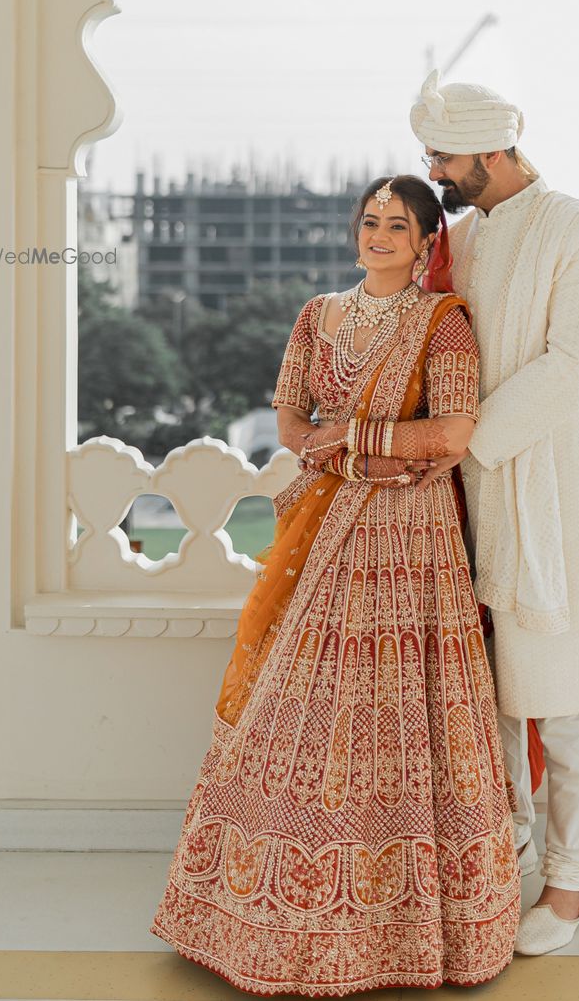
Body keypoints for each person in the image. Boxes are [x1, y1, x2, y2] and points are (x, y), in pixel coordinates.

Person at [151, 174, 520, 995]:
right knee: (300, 706)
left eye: (398, 225)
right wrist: (366, 458)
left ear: (428, 241)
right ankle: (274, 918)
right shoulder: (319, 315)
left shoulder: (442, 325)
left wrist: (349, 439)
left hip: (414, 549)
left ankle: (411, 933)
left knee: (408, 716)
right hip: (329, 530)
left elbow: (455, 433)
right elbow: (289, 420)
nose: (379, 236)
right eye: (369, 222)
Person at [410, 71, 579, 957]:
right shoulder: (459, 239)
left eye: (444, 157)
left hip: (550, 490)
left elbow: (571, 362)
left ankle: (570, 887)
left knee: (566, 698)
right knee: (487, 700)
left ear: (493, 150)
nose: (433, 170)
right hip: (464, 496)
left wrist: (463, 441)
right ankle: (506, 862)